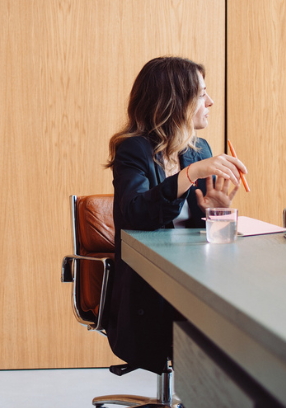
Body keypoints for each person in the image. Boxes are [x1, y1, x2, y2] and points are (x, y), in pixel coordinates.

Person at [105, 56, 247, 373]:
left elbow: (211, 241)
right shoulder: (133, 150)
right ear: (175, 101)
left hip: (195, 279)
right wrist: (188, 175)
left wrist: (218, 214)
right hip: (150, 287)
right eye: (201, 95)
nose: (210, 102)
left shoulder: (200, 150)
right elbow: (135, 214)